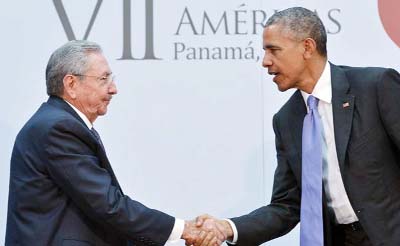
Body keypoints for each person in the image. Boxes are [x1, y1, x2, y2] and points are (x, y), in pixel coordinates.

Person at [196, 6, 400, 246]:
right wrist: (226, 228)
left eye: (273, 50)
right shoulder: (286, 120)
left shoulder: (375, 87)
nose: (265, 62)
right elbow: (287, 207)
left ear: (307, 47)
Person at [5, 40, 224, 246]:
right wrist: (185, 230)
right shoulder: (58, 128)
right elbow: (108, 205)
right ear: (71, 84)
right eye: (103, 79)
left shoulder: (57, 122)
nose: (113, 89)